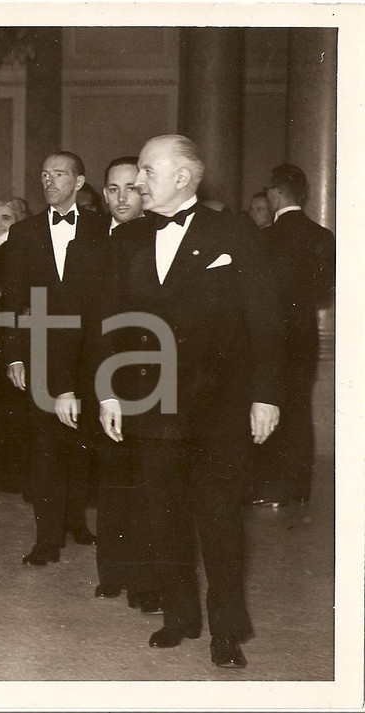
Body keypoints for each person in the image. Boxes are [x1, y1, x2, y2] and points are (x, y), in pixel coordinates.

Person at [97, 135, 283, 668]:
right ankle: (178, 616)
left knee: (220, 517)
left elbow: (266, 320)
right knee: (162, 513)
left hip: (219, 406)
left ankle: (227, 630)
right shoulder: (127, 240)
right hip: (150, 401)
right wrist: (108, 390)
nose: (138, 183)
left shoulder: (234, 233)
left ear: (183, 177)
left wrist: (266, 396)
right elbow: (110, 322)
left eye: (148, 172)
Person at [4, 151, 106, 566]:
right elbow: (12, 296)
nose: (49, 181)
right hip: (42, 349)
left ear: (79, 182)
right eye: (44, 174)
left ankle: (76, 521)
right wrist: (13, 354)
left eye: (59, 174)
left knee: (83, 441)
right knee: (46, 445)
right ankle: (47, 538)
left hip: (91, 352)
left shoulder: (103, 230)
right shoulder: (23, 232)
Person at [92, 156, 161, 614]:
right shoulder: (89, 240)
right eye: (113, 189)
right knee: (111, 479)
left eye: (130, 189)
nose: (121, 198)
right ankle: (112, 572)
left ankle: (145, 581)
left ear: (144, 193)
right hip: (99, 371)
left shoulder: (157, 239)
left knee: (146, 483)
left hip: (147, 374)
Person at [251, 164, 335, 505]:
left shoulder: (265, 237)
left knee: (268, 402)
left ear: (275, 193)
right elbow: (323, 291)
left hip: (270, 334)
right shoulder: (322, 236)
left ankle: (269, 487)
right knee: (299, 408)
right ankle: (299, 488)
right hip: (304, 333)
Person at [0, 197, 31, 494]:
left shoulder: (26, 250)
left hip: (17, 332)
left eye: (6, 218)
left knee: (18, 406)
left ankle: (20, 476)